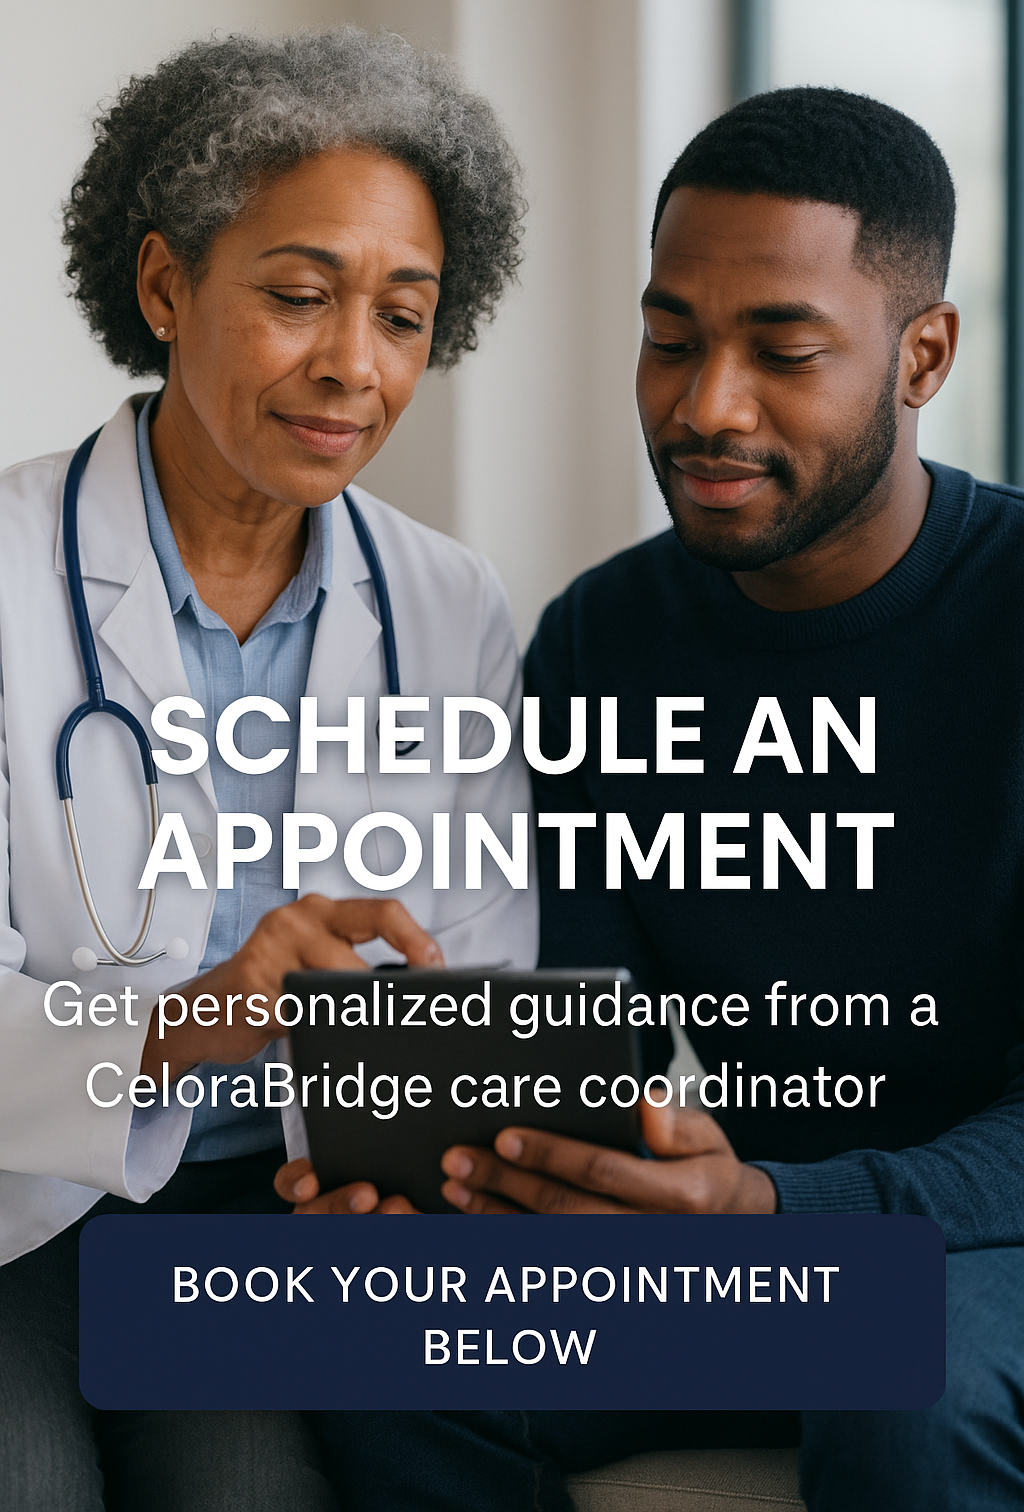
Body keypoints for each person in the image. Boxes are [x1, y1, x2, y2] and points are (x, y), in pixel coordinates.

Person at [288, 89, 1024, 1510]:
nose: (704, 407)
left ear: (921, 353)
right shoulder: (603, 643)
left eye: (782, 352)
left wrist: (776, 1207)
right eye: (670, 339)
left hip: (979, 1251)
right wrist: (452, 1155)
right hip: (756, 1245)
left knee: (899, 1394)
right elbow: (591, 1032)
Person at [0, 28, 536, 1511]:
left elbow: (475, 974)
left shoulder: (446, 606)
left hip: (267, 1215)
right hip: (20, 1204)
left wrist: (411, 1162)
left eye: (405, 318)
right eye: (299, 297)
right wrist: (189, 1023)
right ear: (165, 286)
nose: (353, 369)